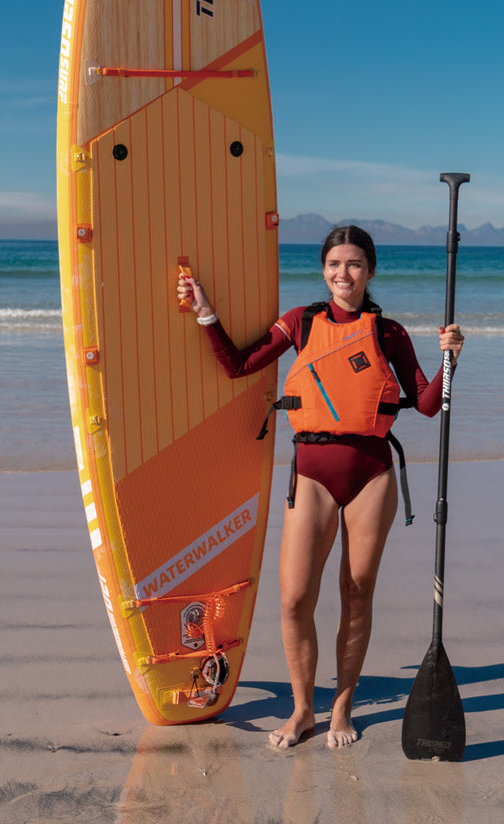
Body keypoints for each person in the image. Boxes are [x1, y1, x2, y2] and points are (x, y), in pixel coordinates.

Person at [176, 225, 463, 749]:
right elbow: (239, 364)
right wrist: (205, 311)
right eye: (334, 264)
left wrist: (450, 358)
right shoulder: (300, 323)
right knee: (293, 600)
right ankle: (302, 710)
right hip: (311, 472)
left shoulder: (389, 332)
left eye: (354, 264)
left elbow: (425, 405)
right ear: (323, 270)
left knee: (356, 595)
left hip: (371, 474)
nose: (343, 274)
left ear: (370, 271)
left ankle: (341, 708)